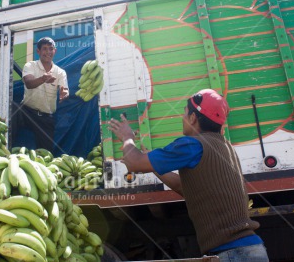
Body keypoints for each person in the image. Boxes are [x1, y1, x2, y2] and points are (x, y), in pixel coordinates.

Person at [109, 89, 269, 261]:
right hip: (249, 249)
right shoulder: (224, 146)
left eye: (185, 113)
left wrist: (127, 137)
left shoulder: (193, 145)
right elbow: (185, 188)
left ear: (193, 118)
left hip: (234, 254)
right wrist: (154, 166)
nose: (182, 118)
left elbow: (134, 163)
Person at [16, 37, 69, 151]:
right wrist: (43, 79)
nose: (48, 52)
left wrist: (64, 93)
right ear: (38, 51)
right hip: (26, 112)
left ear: (55, 51)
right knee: (12, 111)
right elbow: (29, 83)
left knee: (45, 152)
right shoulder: (30, 66)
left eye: (51, 49)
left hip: (46, 117)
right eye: (44, 49)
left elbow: (64, 89)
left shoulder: (60, 72)